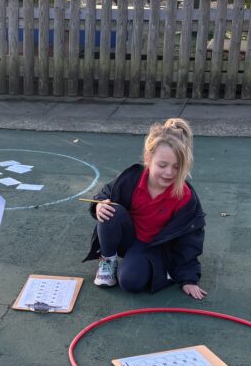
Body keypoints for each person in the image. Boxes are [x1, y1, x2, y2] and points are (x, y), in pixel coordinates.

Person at [83, 118, 207, 300]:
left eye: (176, 167)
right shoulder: (131, 178)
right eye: (162, 165)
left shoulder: (185, 196)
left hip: (153, 246)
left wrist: (188, 278)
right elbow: (105, 193)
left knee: (131, 283)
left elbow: (190, 238)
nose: (169, 173)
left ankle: (160, 269)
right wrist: (99, 204)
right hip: (128, 235)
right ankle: (107, 261)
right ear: (148, 160)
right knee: (110, 209)